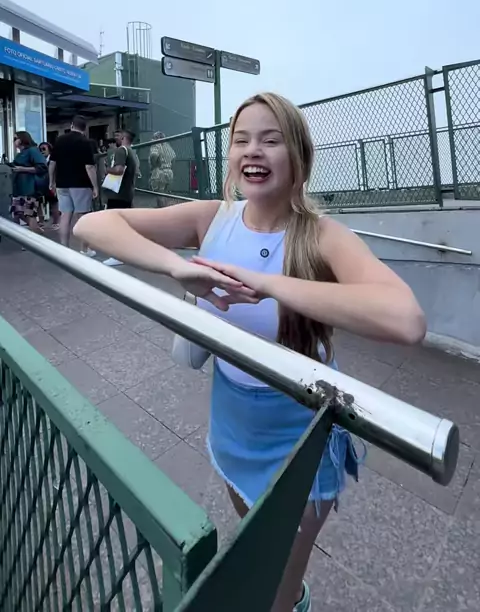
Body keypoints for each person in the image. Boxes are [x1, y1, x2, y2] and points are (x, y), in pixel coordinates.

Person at [74, 92, 426, 612]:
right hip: (233, 420)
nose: (252, 150)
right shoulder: (213, 219)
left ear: (298, 156)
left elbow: (406, 319)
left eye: (270, 139)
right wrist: (177, 266)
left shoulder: (322, 236)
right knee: (255, 543)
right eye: (241, 140)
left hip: (299, 432)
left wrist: (270, 284)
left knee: (276, 581)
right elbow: (91, 226)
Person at [49, 114, 99, 256]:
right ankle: (84, 249)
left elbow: (52, 163)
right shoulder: (86, 142)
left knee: (65, 216)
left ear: (71, 125)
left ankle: (64, 248)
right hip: (81, 184)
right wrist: (95, 186)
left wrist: (51, 181)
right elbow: (89, 167)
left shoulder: (59, 140)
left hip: (62, 184)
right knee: (82, 217)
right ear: (85, 128)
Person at [101, 129, 137, 267]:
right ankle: (125, 253)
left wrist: (106, 170)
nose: (115, 138)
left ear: (123, 138)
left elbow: (119, 170)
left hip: (117, 193)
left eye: (118, 136)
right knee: (123, 224)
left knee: (115, 225)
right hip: (126, 193)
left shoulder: (121, 150)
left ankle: (117, 255)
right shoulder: (132, 152)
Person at [9, 131, 48, 234]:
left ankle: (36, 235)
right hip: (19, 189)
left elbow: (42, 168)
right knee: (18, 213)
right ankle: (36, 232)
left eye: (15, 139)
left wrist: (22, 169)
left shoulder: (32, 151)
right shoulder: (21, 154)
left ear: (22, 139)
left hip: (30, 189)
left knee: (29, 214)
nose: (13, 141)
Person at [39, 142, 61, 229]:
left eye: (44, 149)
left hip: (51, 184)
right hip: (41, 184)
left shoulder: (53, 160)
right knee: (39, 203)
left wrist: (54, 183)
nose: (42, 151)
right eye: (40, 149)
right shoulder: (39, 160)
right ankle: (41, 221)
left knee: (53, 203)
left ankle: (56, 222)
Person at [149, 131, 175, 202]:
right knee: (165, 194)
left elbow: (153, 155)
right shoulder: (168, 146)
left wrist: (154, 166)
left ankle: (161, 207)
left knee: (159, 194)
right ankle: (165, 207)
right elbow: (174, 158)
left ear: (157, 138)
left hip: (159, 171)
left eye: (154, 137)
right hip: (169, 172)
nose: (152, 139)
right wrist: (170, 168)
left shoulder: (156, 144)